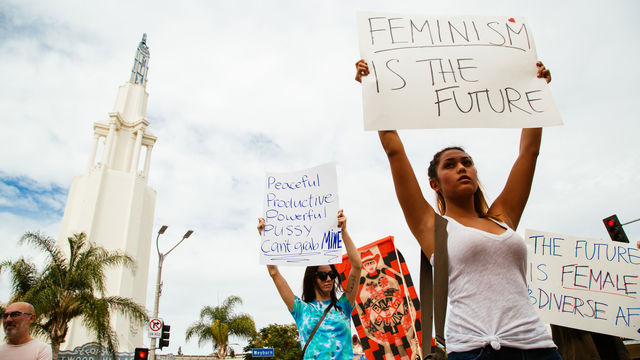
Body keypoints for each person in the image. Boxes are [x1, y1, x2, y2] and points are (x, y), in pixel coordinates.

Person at [355, 59, 562, 360]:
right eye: (450, 165)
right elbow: (394, 150)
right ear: (435, 184)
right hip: (475, 350)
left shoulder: (503, 218)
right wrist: (371, 90)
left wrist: (537, 91)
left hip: (538, 348)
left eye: (467, 162)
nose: (462, 168)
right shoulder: (432, 227)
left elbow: (529, 153)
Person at [257, 210, 362, 359]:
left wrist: (343, 231)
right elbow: (274, 273)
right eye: (322, 275)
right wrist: (264, 236)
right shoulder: (300, 309)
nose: (328, 279)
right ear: (312, 279)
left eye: (331, 275)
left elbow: (357, 266)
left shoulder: (344, 305)